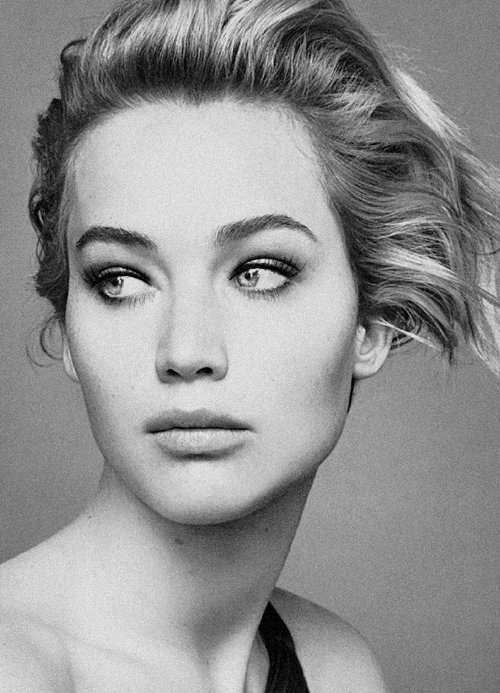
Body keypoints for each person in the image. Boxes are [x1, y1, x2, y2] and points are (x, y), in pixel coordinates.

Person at [1, 0, 498, 690]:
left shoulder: (337, 670)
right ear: (67, 330)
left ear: (373, 324)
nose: (186, 350)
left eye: (259, 272)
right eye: (121, 279)